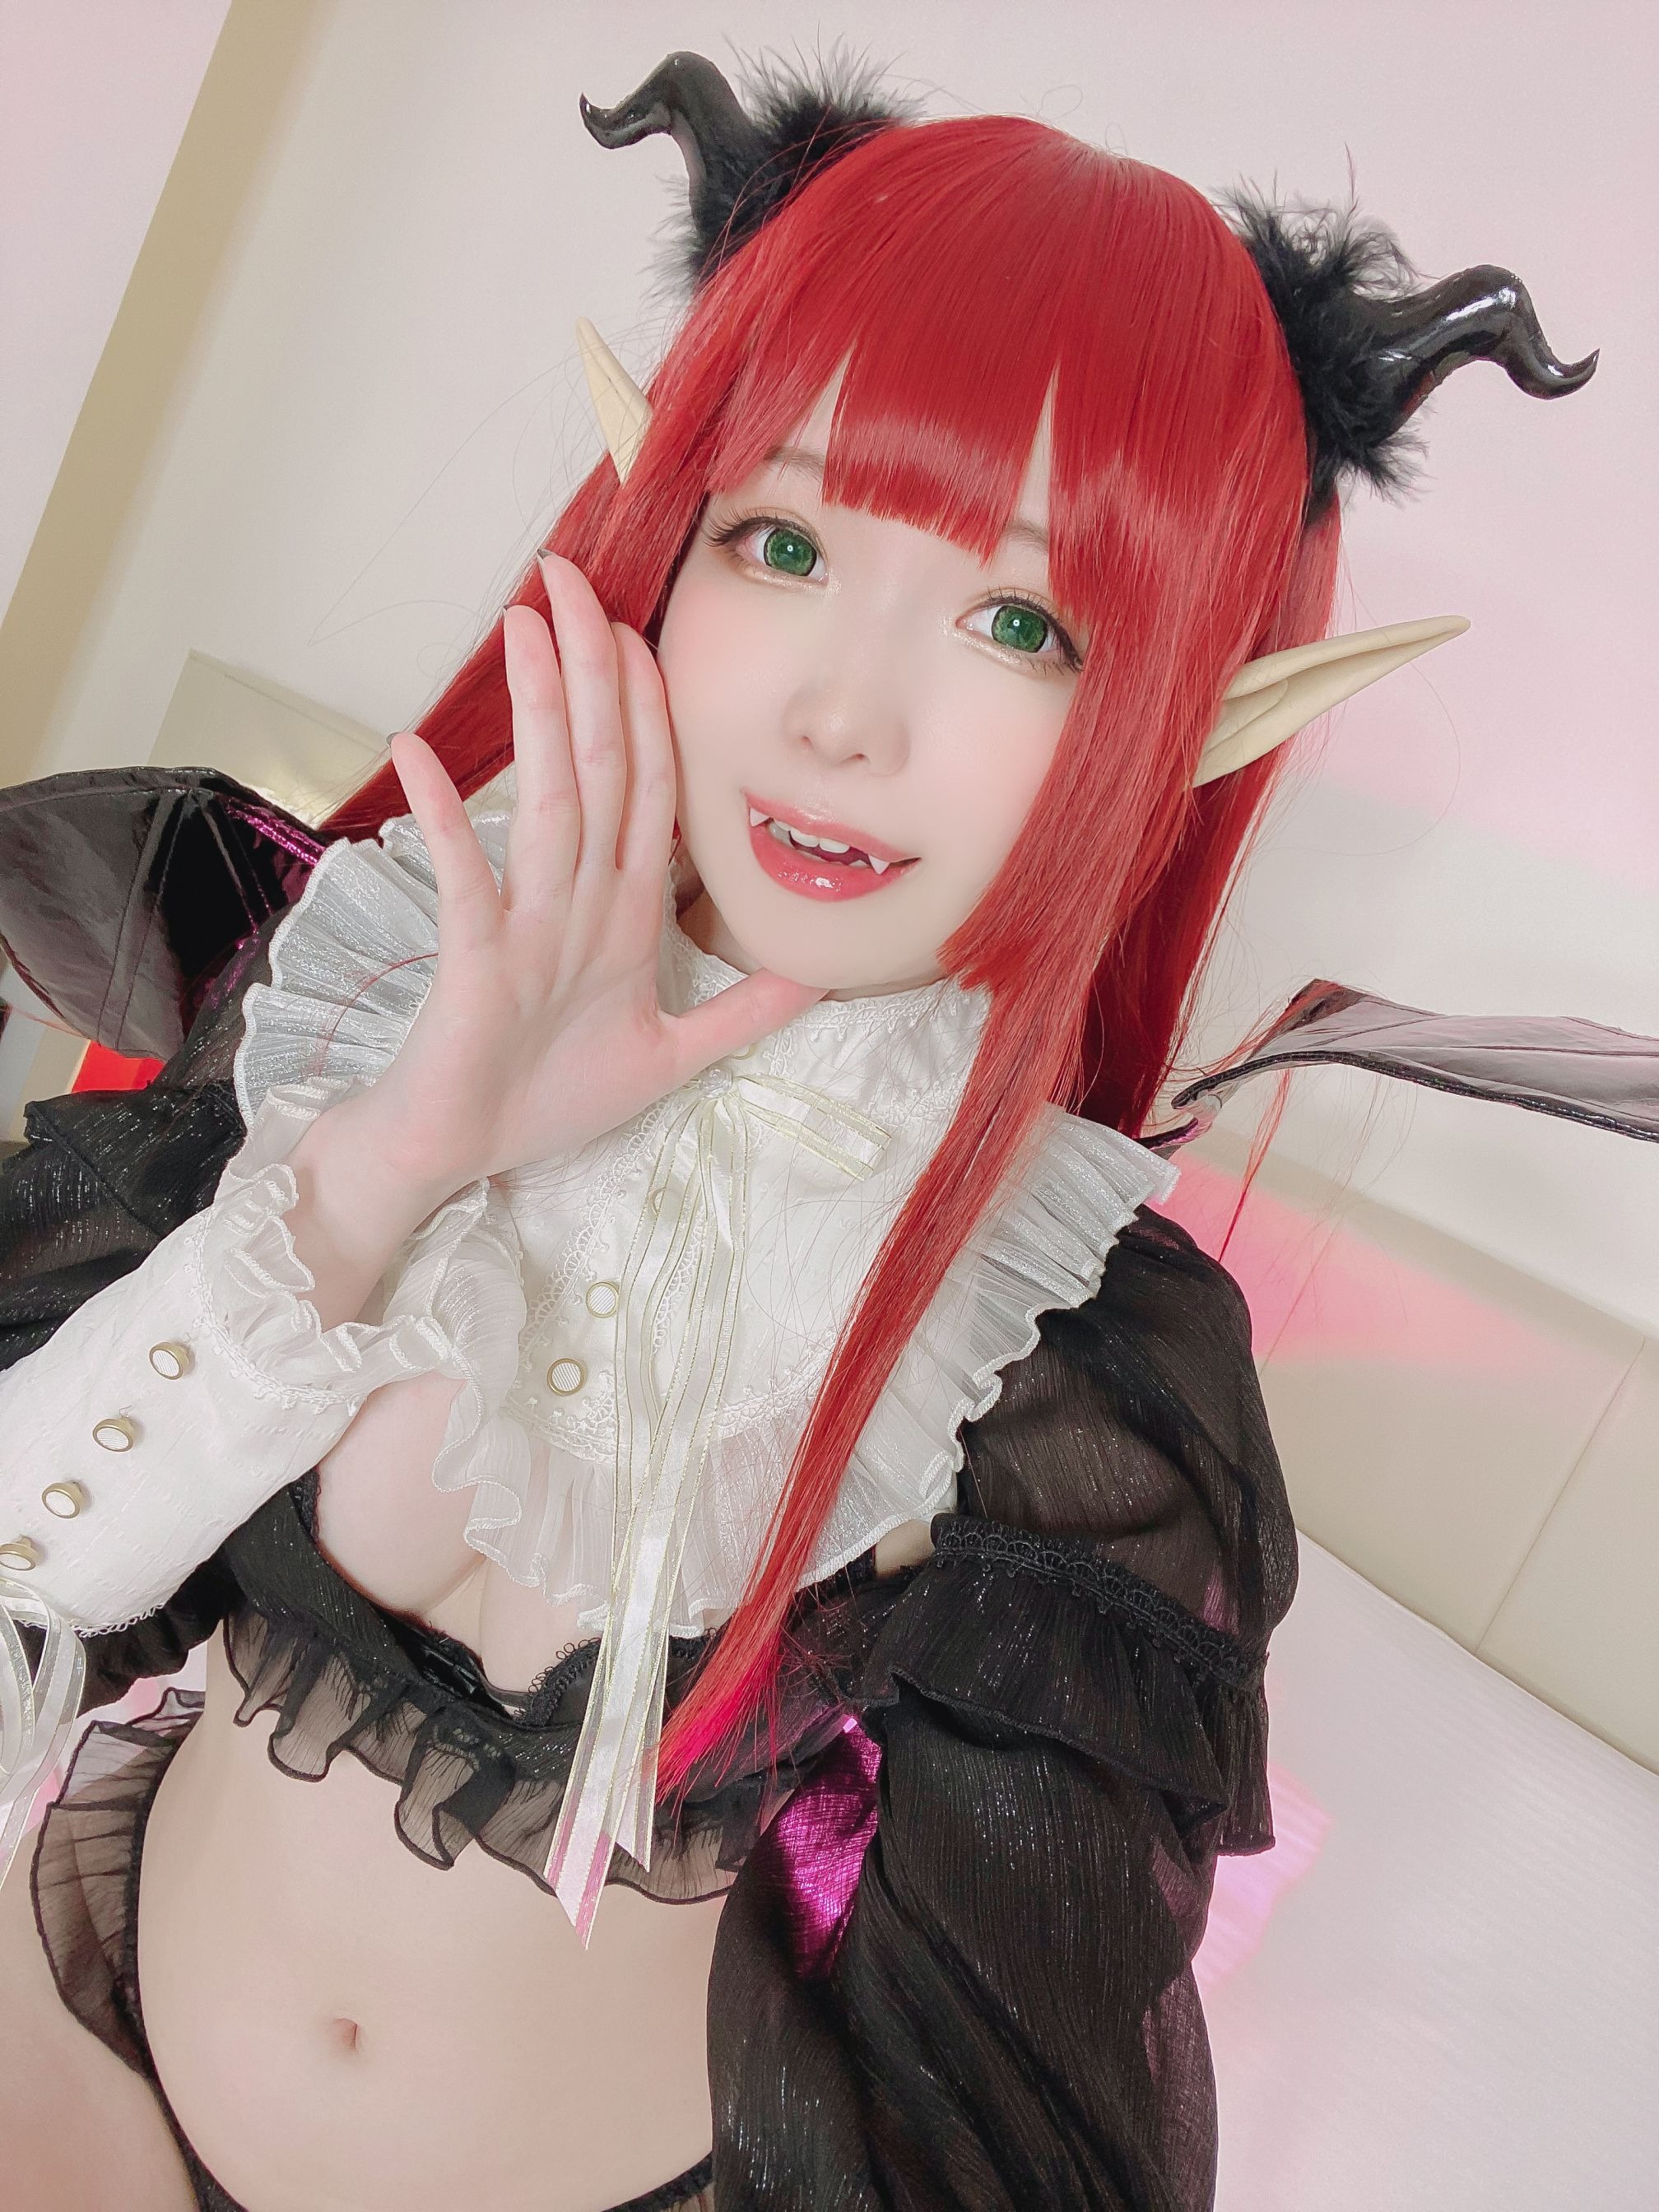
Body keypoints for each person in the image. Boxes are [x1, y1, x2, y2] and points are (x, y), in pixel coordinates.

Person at [0, 47, 1606, 2212]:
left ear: (1181, 721)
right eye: (784, 540)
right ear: (664, 532)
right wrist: (394, 1159)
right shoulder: (378, 986)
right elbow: (27, 1561)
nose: (844, 714)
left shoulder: (1073, 1351)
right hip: (75, 2063)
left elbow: (1001, 2116)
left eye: (1022, 621)